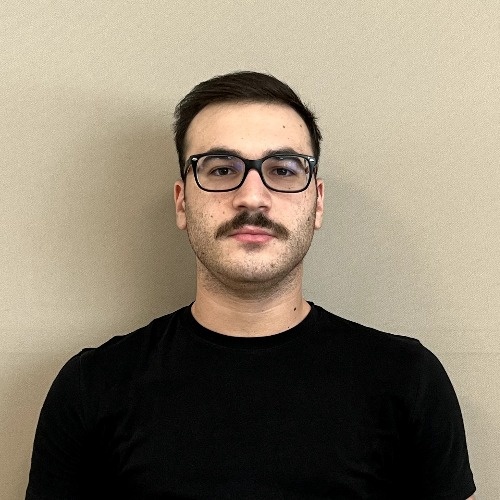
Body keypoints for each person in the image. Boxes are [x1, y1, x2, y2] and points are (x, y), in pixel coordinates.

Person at [26, 71, 476, 499]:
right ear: (182, 202)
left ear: (317, 202)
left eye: (283, 169)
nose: (252, 197)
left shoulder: (408, 380)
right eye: (221, 169)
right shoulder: (92, 387)